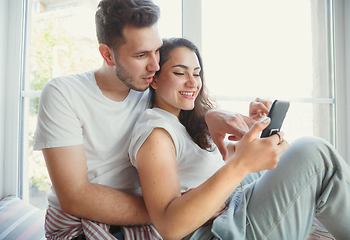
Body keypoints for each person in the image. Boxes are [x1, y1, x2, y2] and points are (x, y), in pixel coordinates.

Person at [33, 0, 266, 239]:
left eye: (156, 49)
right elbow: (75, 197)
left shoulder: (149, 85)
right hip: (85, 225)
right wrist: (177, 210)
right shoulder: (64, 93)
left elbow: (185, 113)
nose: (155, 65)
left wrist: (212, 116)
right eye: (142, 54)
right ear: (107, 54)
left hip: (159, 210)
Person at [128, 37, 350, 240]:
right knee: (314, 154)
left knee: (297, 159)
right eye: (180, 73)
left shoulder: (185, 125)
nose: (193, 83)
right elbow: (170, 227)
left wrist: (256, 127)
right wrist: (241, 165)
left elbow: (230, 155)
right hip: (222, 231)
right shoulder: (156, 133)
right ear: (154, 80)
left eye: (196, 74)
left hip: (234, 208)